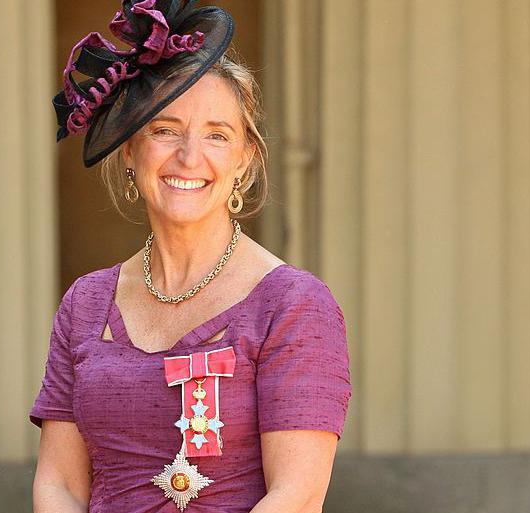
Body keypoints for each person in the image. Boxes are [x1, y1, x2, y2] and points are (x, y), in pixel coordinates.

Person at [30, 1, 351, 512]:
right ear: (130, 151)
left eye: (217, 135)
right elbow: (60, 485)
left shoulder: (293, 304)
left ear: (245, 158)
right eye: (164, 129)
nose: (188, 155)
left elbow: (297, 496)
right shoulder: (85, 304)